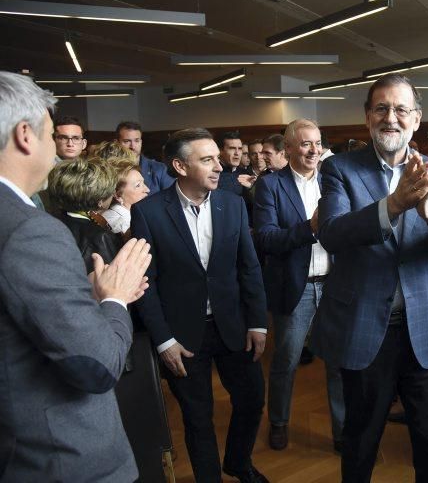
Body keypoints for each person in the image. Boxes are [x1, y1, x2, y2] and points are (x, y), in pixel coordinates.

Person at [311, 73, 428, 482]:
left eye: (401, 109)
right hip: (366, 330)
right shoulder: (340, 168)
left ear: (417, 119)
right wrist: (392, 206)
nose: (391, 118)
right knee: (360, 443)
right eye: (382, 108)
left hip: (425, 329)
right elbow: (332, 232)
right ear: (368, 116)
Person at [0, 70, 151, 482]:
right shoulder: (31, 229)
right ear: (25, 135)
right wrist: (112, 299)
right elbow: (97, 365)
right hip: (56, 458)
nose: (59, 149)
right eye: (53, 136)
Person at [131, 128, 270, 483]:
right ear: (179, 166)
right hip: (182, 335)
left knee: (252, 400)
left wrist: (257, 322)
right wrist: (163, 341)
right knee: (197, 417)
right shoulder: (148, 212)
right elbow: (146, 284)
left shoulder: (234, 204)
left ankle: (238, 462)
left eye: (217, 158)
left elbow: (248, 267)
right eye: (207, 159)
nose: (219, 166)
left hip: (233, 327)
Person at [253, 119, 344, 453]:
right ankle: (279, 422)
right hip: (296, 287)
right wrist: (309, 228)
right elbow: (265, 238)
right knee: (286, 361)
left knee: (337, 363)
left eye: (318, 143)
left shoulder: (333, 180)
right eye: (306, 144)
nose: (314, 150)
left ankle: (342, 431)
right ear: (288, 148)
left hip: (336, 285)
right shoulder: (270, 186)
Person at [47, 157, 122, 271]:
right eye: (112, 191)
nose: (114, 194)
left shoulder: (47, 223)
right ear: (100, 201)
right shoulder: (100, 237)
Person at [117, 120, 174, 193]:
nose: (132, 146)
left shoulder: (160, 169)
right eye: (127, 141)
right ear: (117, 143)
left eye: (136, 141)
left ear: (141, 142)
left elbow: (171, 199)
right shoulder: (110, 170)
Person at [102, 157, 150, 236]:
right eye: (138, 185)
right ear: (117, 195)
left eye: (143, 183)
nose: (147, 190)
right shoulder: (120, 225)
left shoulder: (134, 217)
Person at [217, 130, 245, 195]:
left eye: (240, 148)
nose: (237, 153)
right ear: (220, 151)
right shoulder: (212, 175)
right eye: (232, 148)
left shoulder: (245, 173)